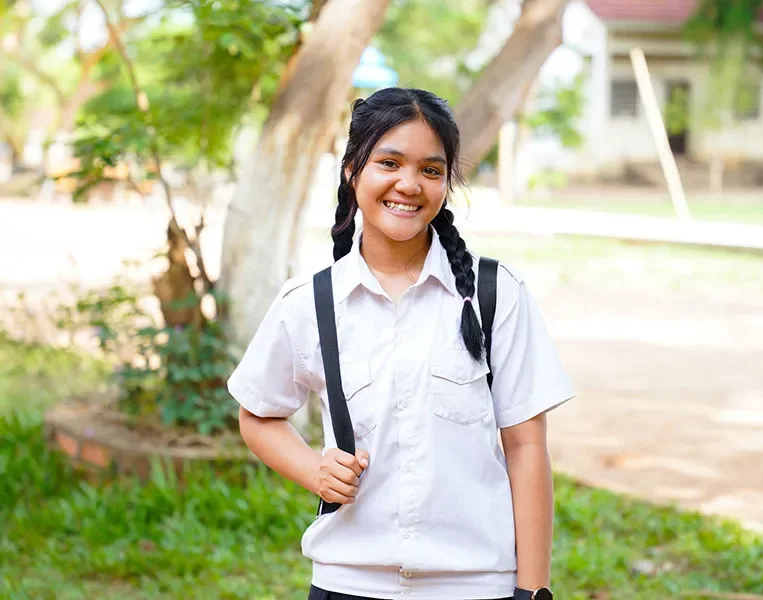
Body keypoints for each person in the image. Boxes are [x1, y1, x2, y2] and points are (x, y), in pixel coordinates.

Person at [228, 88, 575, 600]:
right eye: (389, 162)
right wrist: (313, 469)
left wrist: (533, 592)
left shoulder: (495, 294)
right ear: (352, 170)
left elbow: (526, 447)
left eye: (431, 170)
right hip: (348, 582)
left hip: (478, 586)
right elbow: (257, 414)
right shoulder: (310, 302)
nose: (409, 185)